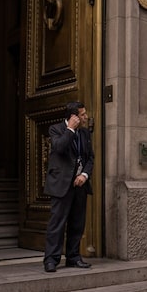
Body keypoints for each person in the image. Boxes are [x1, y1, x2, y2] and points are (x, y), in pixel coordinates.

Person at [43, 101, 94, 272]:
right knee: (57, 223)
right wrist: (70, 130)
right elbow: (59, 148)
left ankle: (73, 257)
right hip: (61, 185)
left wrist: (84, 175)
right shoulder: (55, 129)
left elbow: (90, 158)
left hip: (79, 185)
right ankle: (51, 259)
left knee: (77, 224)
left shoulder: (85, 133)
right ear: (73, 117)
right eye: (82, 115)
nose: (86, 117)